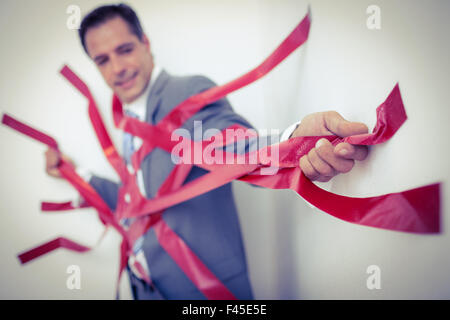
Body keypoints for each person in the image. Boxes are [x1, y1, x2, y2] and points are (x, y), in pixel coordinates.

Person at [45, 3, 369, 299]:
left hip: (204, 293)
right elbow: (140, 203)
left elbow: (231, 143)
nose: (116, 68)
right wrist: (77, 176)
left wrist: (293, 142)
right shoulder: (129, 123)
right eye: (102, 60)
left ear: (145, 43)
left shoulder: (186, 94)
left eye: (125, 50)